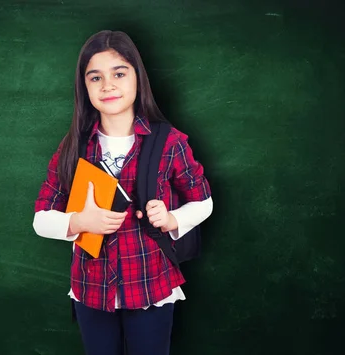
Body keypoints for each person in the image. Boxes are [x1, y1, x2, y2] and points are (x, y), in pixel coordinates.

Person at [32, 30, 213, 355]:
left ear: (137, 78)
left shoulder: (168, 142)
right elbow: (41, 219)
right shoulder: (73, 147)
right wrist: (77, 222)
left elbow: (203, 202)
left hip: (151, 283)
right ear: (84, 88)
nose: (107, 85)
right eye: (95, 77)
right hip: (91, 289)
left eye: (119, 73)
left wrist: (172, 218)